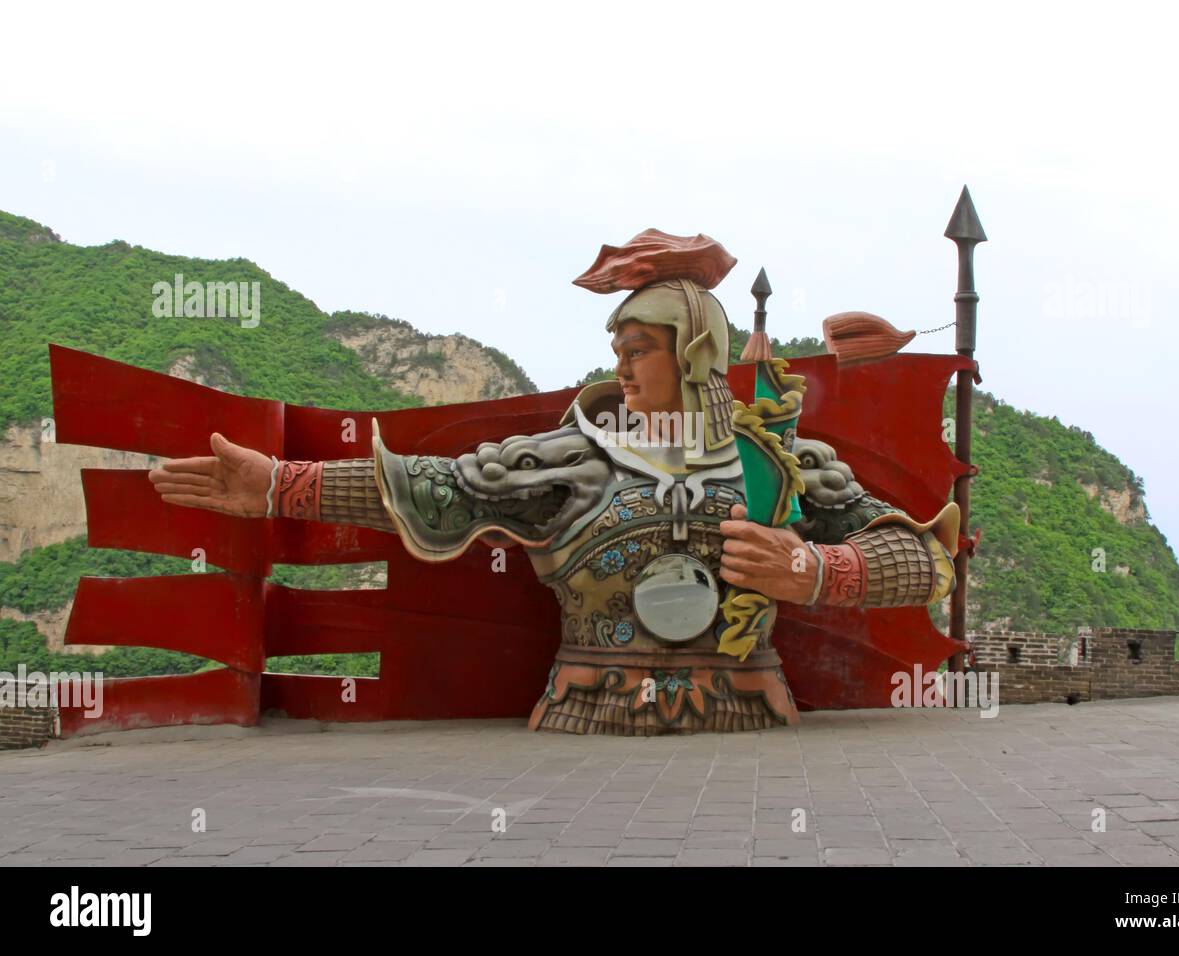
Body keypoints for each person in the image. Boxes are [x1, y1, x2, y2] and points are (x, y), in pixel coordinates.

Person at [149, 230, 958, 735]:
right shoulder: (574, 459)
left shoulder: (777, 466)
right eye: (620, 346)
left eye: (638, 346)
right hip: (588, 712)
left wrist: (811, 569)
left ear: (693, 353)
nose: (620, 363)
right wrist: (282, 485)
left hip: (750, 719)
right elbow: (440, 488)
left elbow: (922, 558)